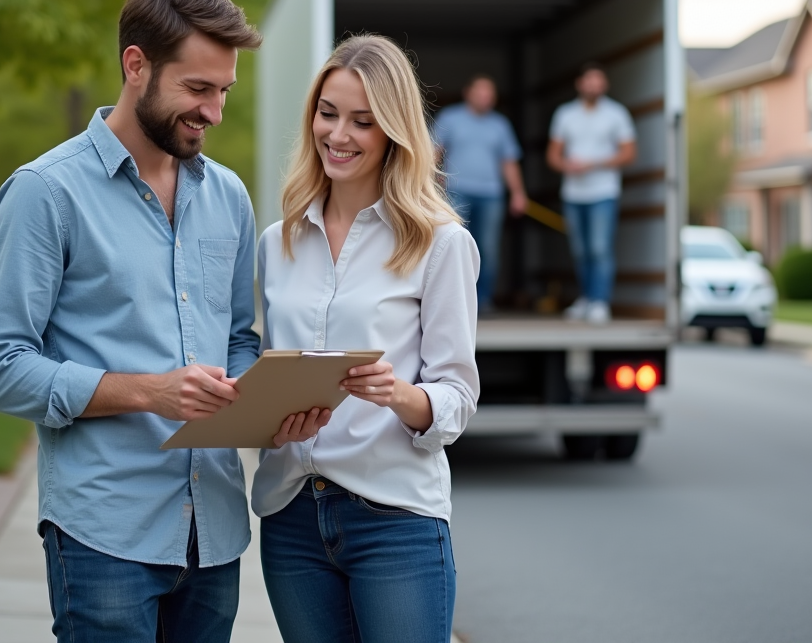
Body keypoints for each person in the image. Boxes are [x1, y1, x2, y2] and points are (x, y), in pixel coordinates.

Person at [0, 0, 265, 642]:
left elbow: (238, 338)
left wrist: (265, 403)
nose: (214, 113)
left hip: (215, 533)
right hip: (103, 534)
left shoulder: (229, 196)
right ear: (136, 66)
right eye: (198, 88)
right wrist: (150, 392)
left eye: (223, 91)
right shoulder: (46, 192)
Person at [253, 34, 480, 643]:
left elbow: (457, 396)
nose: (339, 135)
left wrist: (398, 393)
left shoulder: (440, 243)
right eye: (328, 114)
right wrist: (262, 415)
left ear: (394, 132)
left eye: (362, 121)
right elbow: (269, 367)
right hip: (292, 518)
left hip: (394, 520)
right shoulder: (278, 241)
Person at [546, 62, 636, 323]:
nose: (594, 85)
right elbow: (553, 155)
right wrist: (567, 165)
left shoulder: (616, 114)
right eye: (589, 80)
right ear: (580, 84)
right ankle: (586, 298)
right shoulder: (565, 114)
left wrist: (593, 164)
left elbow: (629, 153)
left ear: (605, 84)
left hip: (604, 192)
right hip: (573, 193)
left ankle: (599, 301)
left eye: (598, 80)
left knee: (599, 248)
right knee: (580, 251)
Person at [433, 75, 528, 314]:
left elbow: (509, 162)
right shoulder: (450, 118)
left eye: (490, 93)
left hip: (491, 194)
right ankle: (454, 301)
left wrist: (518, 193)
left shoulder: (500, 125)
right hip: (456, 192)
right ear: (468, 93)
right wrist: (432, 179)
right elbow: (434, 151)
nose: (485, 97)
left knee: (488, 248)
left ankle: (482, 301)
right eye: (481, 92)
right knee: (453, 245)